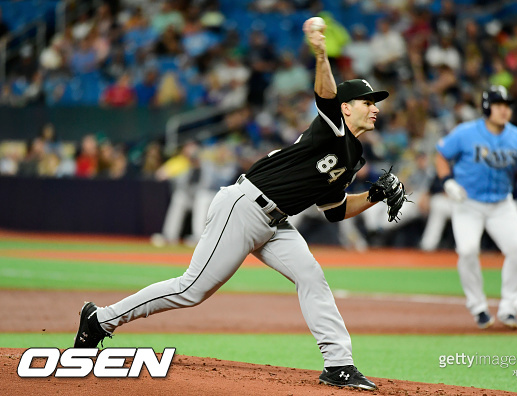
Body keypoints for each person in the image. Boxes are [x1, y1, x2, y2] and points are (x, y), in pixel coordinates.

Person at [73, 18, 407, 391]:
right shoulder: (334, 127)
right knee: (191, 290)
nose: (375, 107)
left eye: (375, 102)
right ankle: (101, 319)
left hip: (276, 221)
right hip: (244, 206)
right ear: (347, 108)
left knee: (312, 277)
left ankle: (339, 365)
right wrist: (320, 52)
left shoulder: (353, 155)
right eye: (368, 101)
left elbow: (336, 210)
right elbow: (325, 95)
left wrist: (374, 197)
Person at [435, 85, 517, 330]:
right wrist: (447, 181)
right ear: (487, 107)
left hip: (502, 203)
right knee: (468, 250)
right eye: (499, 105)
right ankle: (478, 308)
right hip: (467, 202)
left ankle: (509, 309)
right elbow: (441, 154)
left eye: (507, 105)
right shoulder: (465, 132)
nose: (504, 110)